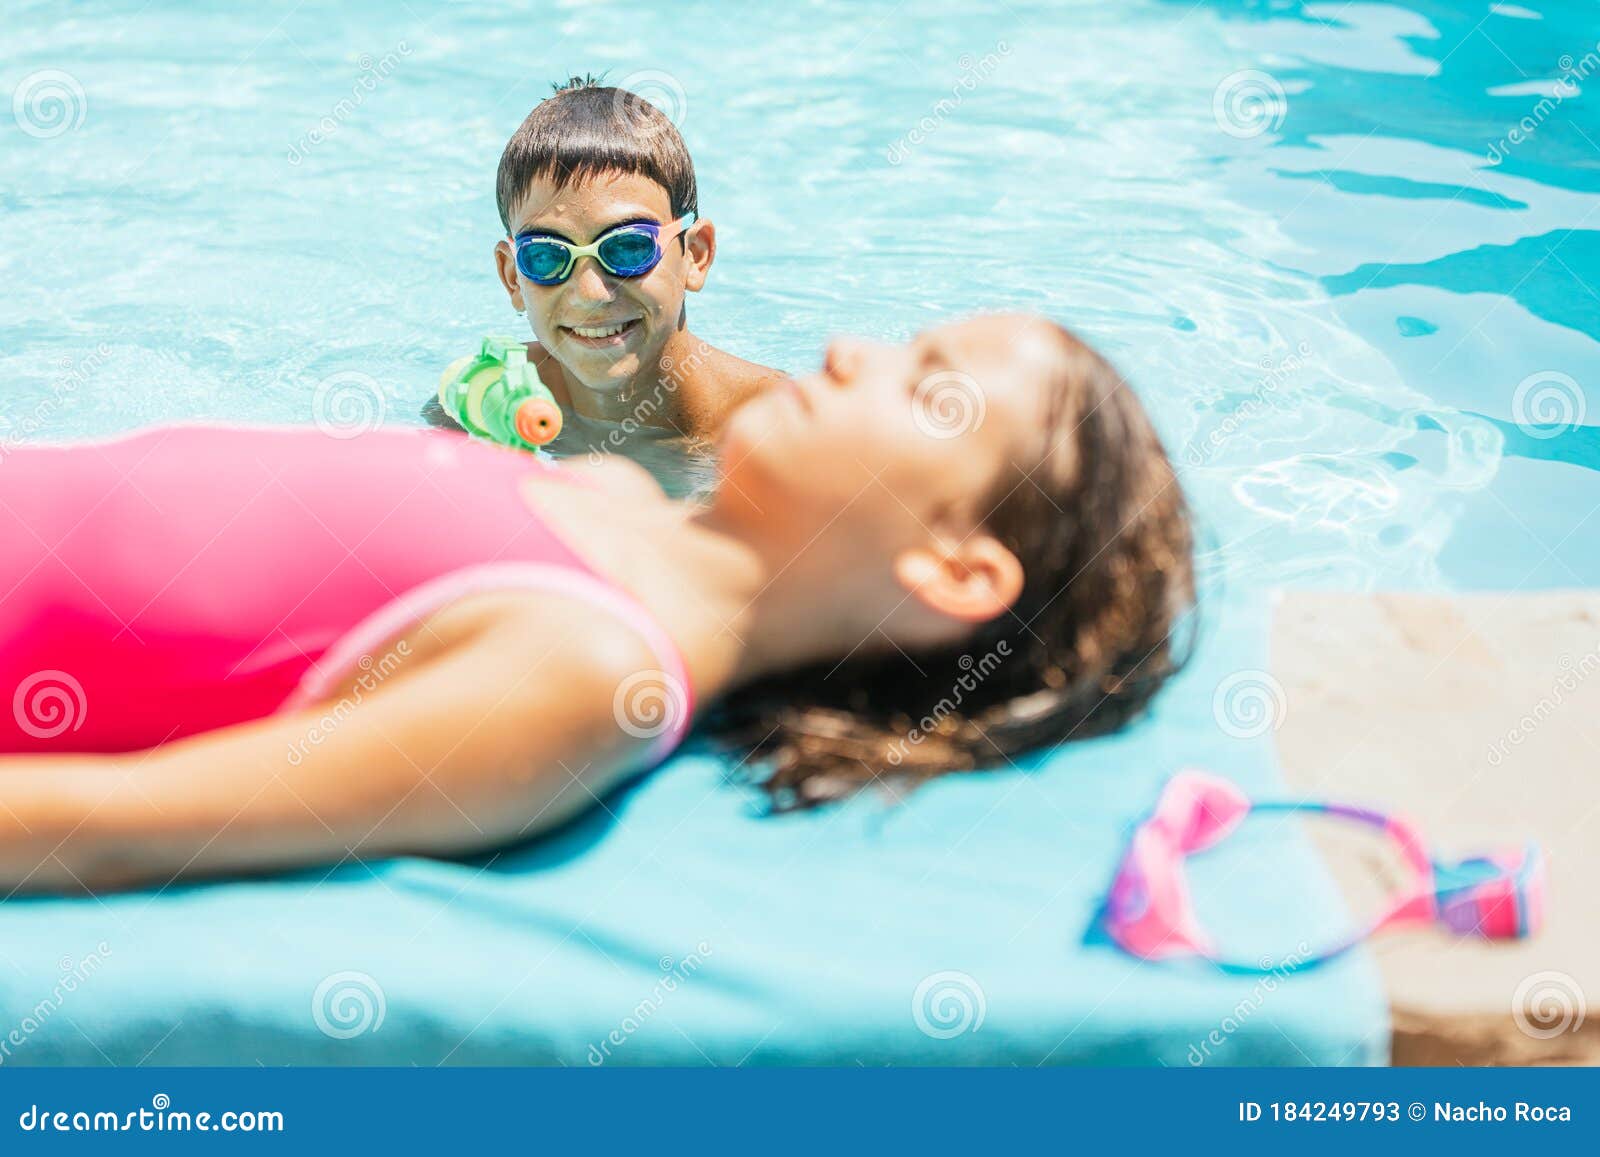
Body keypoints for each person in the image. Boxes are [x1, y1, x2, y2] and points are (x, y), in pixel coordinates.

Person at [0, 315, 1193, 893]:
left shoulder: (586, 671)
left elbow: (121, 821)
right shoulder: (609, 489)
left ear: (953, 569)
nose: (842, 348)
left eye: (925, 386)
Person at [425, 78, 785, 493]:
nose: (592, 293)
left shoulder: (775, 426)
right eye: (547, 255)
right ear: (512, 278)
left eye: (628, 247)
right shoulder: (487, 402)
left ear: (695, 255)